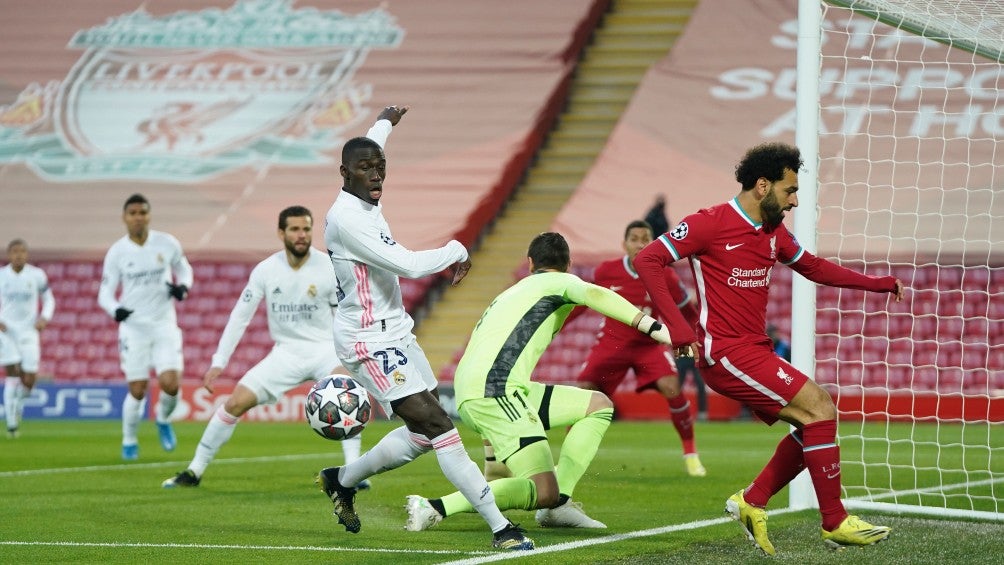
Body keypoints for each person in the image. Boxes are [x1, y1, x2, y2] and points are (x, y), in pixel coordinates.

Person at [634, 142, 903, 555]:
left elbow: (813, 267)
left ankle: (753, 501)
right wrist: (678, 327)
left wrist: (877, 284)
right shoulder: (709, 223)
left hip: (753, 349)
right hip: (723, 353)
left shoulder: (771, 231)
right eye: (789, 190)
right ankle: (834, 521)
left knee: (813, 420)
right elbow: (649, 259)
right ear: (763, 186)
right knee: (820, 407)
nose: (793, 201)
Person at [318, 105, 533, 551]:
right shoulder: (348, 219)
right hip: (367, 340)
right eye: (364, 169)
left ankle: (341, 479)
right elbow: (407, 265)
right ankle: (501, 528)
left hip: (396, 329)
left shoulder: (364, 198)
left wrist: (384, 124)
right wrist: (455, 248)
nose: (376, 176)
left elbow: (370, 147)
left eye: (380, 168)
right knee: (438, 425)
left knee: (421, 433)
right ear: (344, 173)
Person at [405, 231, 677, 533]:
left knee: (597, 405)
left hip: (484, 386)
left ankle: (558, 505)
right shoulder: (561, 282)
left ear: (530, 262)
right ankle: (433, 507)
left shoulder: (510, 292)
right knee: (543, 490)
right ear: (569, 264)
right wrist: (656, 328)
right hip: (497, 391)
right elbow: (599, 295)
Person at [162, 205, 367, 488]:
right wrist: (219, 361)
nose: (301, 235)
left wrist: (352, 351)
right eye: (295, 229)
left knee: (346, 394)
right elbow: (240, 317)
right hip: (285, 353)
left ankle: (353, 473)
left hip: (324, 349)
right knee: (234, 403)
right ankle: (194, 471)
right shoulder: (266, 270)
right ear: (281, 233)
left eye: (306, 229)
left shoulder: (328, 268)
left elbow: (348, 314)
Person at [98, 193, 193, 461]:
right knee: (138, 389)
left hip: (164, 325)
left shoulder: (167, 243)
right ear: (125, 218)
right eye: (133, 213)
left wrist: (183, 287)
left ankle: (162, 419)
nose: (138, 217)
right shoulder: (117, 252)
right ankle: (129, 440)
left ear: (149, 215)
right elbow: (104, 293)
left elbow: (184, 270)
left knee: (171, 385)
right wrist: (114, 309)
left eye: (143, 212)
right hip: (134, 328)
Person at [0, 239, 55, 438]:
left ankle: (18, 404)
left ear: (27, 254)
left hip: (29, 331)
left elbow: (49, 299)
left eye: (22, 251)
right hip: (6, 332)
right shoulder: (1, 276)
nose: (19, 255)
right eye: (15, 251)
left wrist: (44, 318)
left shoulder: (37, 275)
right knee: (12, 374)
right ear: (9, 254)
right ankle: (12, 424)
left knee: (29, 379)